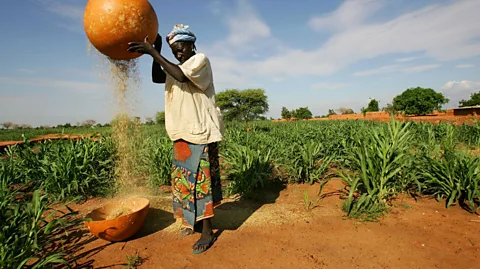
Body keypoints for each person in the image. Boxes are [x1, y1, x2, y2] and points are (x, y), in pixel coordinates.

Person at [127, 24, 224, 254]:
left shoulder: (199, 61)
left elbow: (180, 75)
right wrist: (157, 49)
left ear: (191, 45)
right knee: (185, 183)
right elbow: (156, 77)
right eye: (174, 51)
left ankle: (207, 231)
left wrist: (153, 52)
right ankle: (192, 222)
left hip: (199, 132)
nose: (178, 54)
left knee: (201, 185)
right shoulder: (175, 66)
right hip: (181, 132)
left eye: (181, 48)